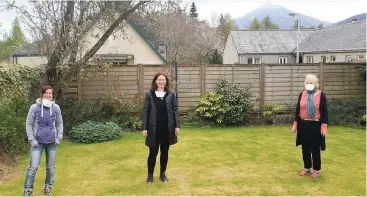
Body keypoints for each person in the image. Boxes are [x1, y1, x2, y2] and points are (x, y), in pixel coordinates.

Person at [24, 86, 63, 196]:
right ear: (42, 94)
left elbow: (60, 123)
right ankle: (28, 190)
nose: (48, 95)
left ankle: (48, 187)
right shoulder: (34, 107)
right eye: (46, 93)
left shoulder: (56, 107)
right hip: (37, 143)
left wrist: (58, 138)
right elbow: (29, 124)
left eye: (50, 93)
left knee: (50, 168)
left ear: (52, 95)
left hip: (52, 143)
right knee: (33, 167)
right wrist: (32, 140)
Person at [142, 73, 180, 183]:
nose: (161, 81)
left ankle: (162, 174)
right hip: (153, 129)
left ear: (166, 82)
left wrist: (177, 126)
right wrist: (144, 128)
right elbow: (146, 111)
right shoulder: (149, 94)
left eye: (163, 80)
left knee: (164, 153)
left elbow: (175, 110)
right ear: (155, 81)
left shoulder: (171, 94)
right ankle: (150, 175)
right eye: (159, 80)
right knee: (152, 153)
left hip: (167, 129)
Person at [292, 74, 328, 179]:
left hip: (316, 124)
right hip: (303, 124)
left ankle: (316, 170)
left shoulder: (321, 95)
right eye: (307, 82)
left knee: (315, 148)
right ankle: (307, 168)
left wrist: (324, 126)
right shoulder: (302, 94)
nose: (309, 84)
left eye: (311, 82)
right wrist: (295, 124)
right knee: (305, 147)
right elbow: (298, 110)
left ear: (316, 84)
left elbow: (324, 112)